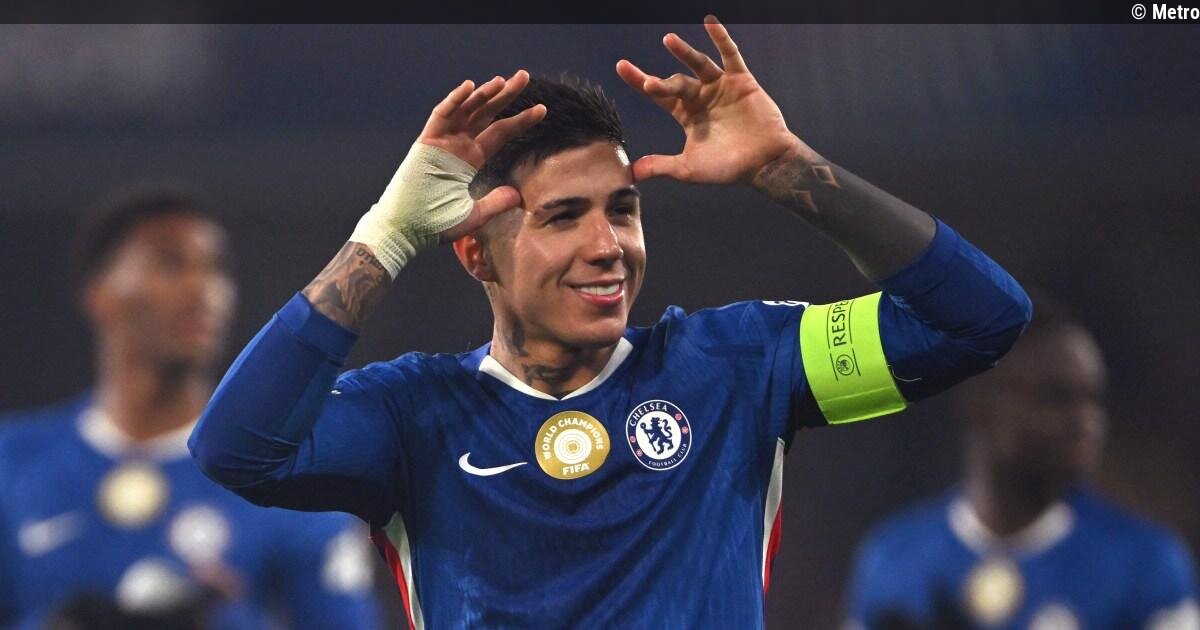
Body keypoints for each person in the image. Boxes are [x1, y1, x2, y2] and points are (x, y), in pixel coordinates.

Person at [189, 17, 1031, 628]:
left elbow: (979, 322)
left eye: (622, 210)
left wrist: (787, 167)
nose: (608, 247)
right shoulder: (413, 418)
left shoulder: (739, 367)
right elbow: (234, 450)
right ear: (476, 254)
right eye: (563, 217)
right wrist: (387, 236)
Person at [0, 188, 382, 629]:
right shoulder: (11, 463)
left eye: (216, 269)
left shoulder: (293, 475)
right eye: (170, 263)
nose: (204, 289)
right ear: (99, 293)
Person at [845, 291, 1199, 630]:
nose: (1086, 422)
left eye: (1093, 399)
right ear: (981, 403)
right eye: (1056, 397)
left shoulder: (1145, 563)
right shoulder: (892, 560)